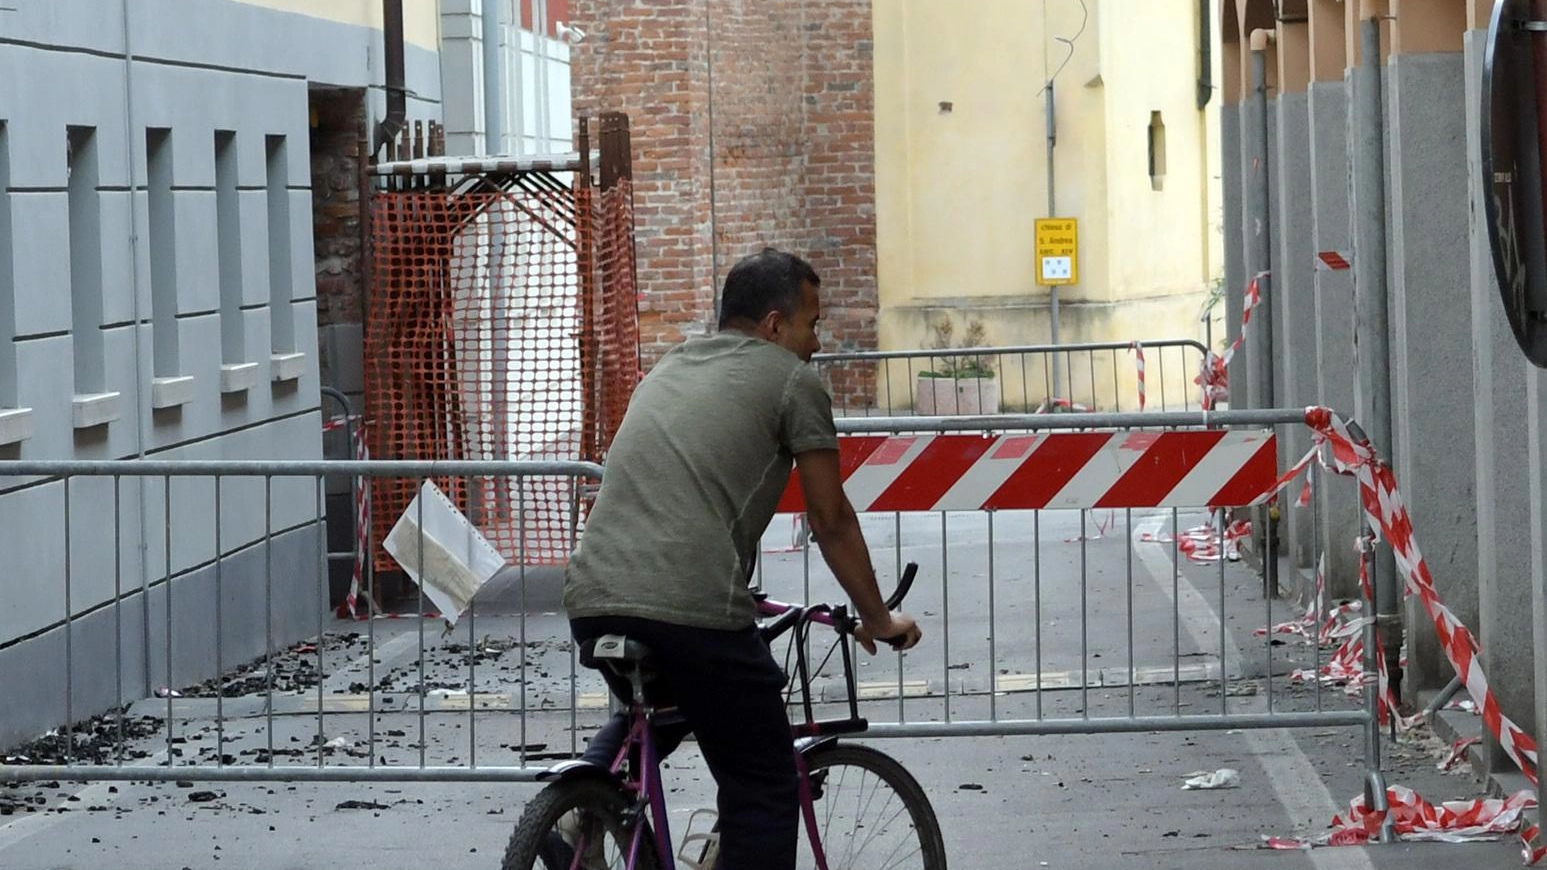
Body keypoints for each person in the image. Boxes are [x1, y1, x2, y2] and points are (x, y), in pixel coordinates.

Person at [562, 247, 923, 870]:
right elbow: (830, 519)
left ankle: (587, 798)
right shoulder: (793, 382)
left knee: (667, 705)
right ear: (775, 325)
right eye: (813, 324)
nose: (818, 342)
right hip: (690, 604)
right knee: (765, 780)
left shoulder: (670, 366)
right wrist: (878, 617)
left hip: (592, 595)